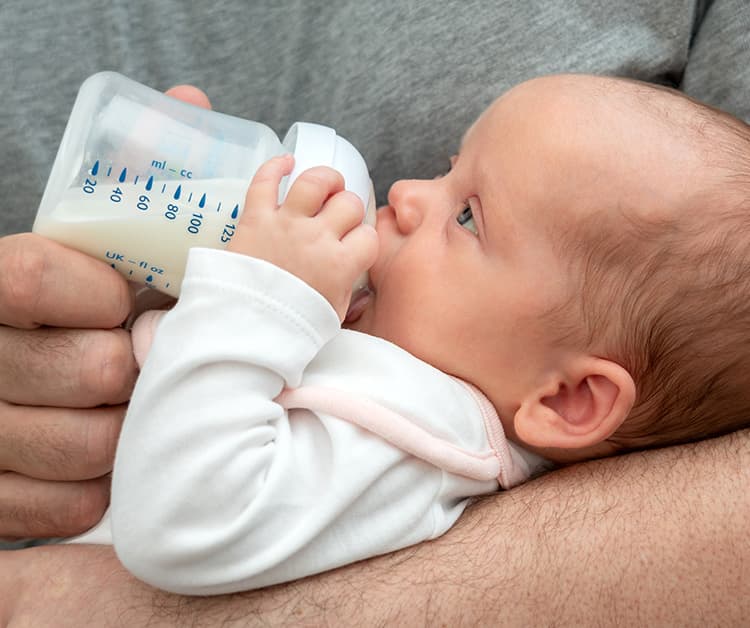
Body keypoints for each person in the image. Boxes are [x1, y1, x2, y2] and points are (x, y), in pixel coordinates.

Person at [0, 0, 748, 624]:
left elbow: (182, 528)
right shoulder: (403, 357)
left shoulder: (419, 440)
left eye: (467, 217)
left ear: (569, 399)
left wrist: (258, 292)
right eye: (449, 167)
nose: (408, 193)